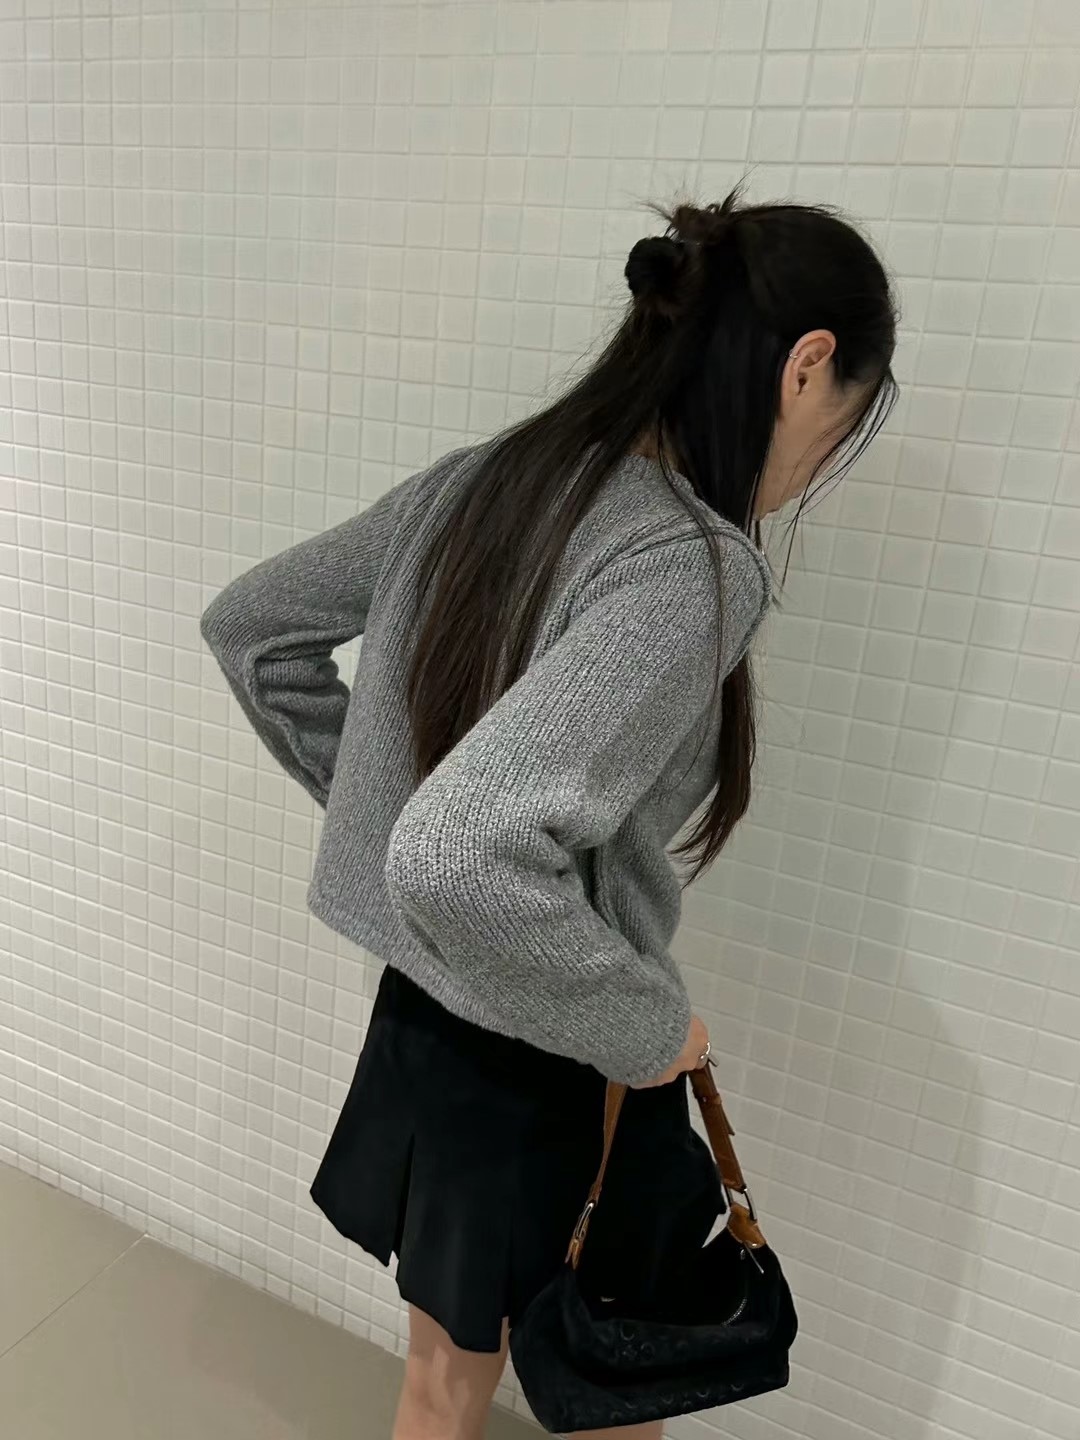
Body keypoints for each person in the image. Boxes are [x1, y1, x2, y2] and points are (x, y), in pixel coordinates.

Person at [200, 181, 897, 1440]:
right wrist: (653, 1028)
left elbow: (253, 630)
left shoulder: (485, 480)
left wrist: (385, 815)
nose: (818, 464)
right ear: (807, 367)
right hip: (567, 1054)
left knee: (439, 1383)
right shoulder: (687, 562)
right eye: (843, 421)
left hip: (432, 1020)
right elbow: (455, 851)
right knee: (622, 1390)